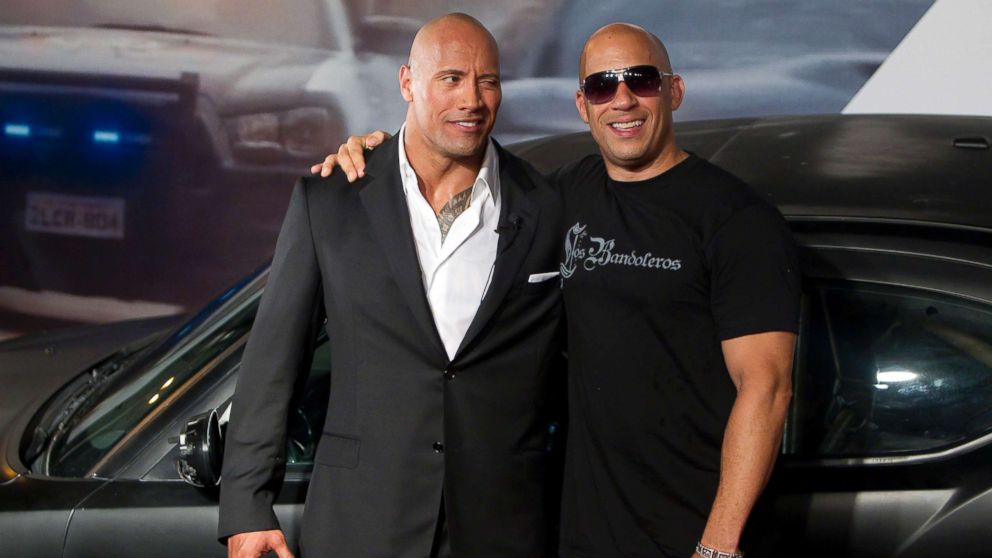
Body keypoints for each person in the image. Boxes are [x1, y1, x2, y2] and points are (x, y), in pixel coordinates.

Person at [314, 22, 800, 558]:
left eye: (640, 80)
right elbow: (459, 165)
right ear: (581, 104)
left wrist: (718, 545)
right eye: (601, 86)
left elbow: (768, 388)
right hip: (581, 531)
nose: (622, 100)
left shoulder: (737, 219)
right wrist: (374, 153)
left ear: (673, 91)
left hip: (695, 529)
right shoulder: (560, 196)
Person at [219, 13, 565, 558]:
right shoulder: (332, 198)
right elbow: (272, 364)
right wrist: (246, 506)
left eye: (487, 81)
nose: (472, 99)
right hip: (364, 520)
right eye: (450, 78)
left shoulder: (546, 206)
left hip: (502, 525)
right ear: (407, 82)